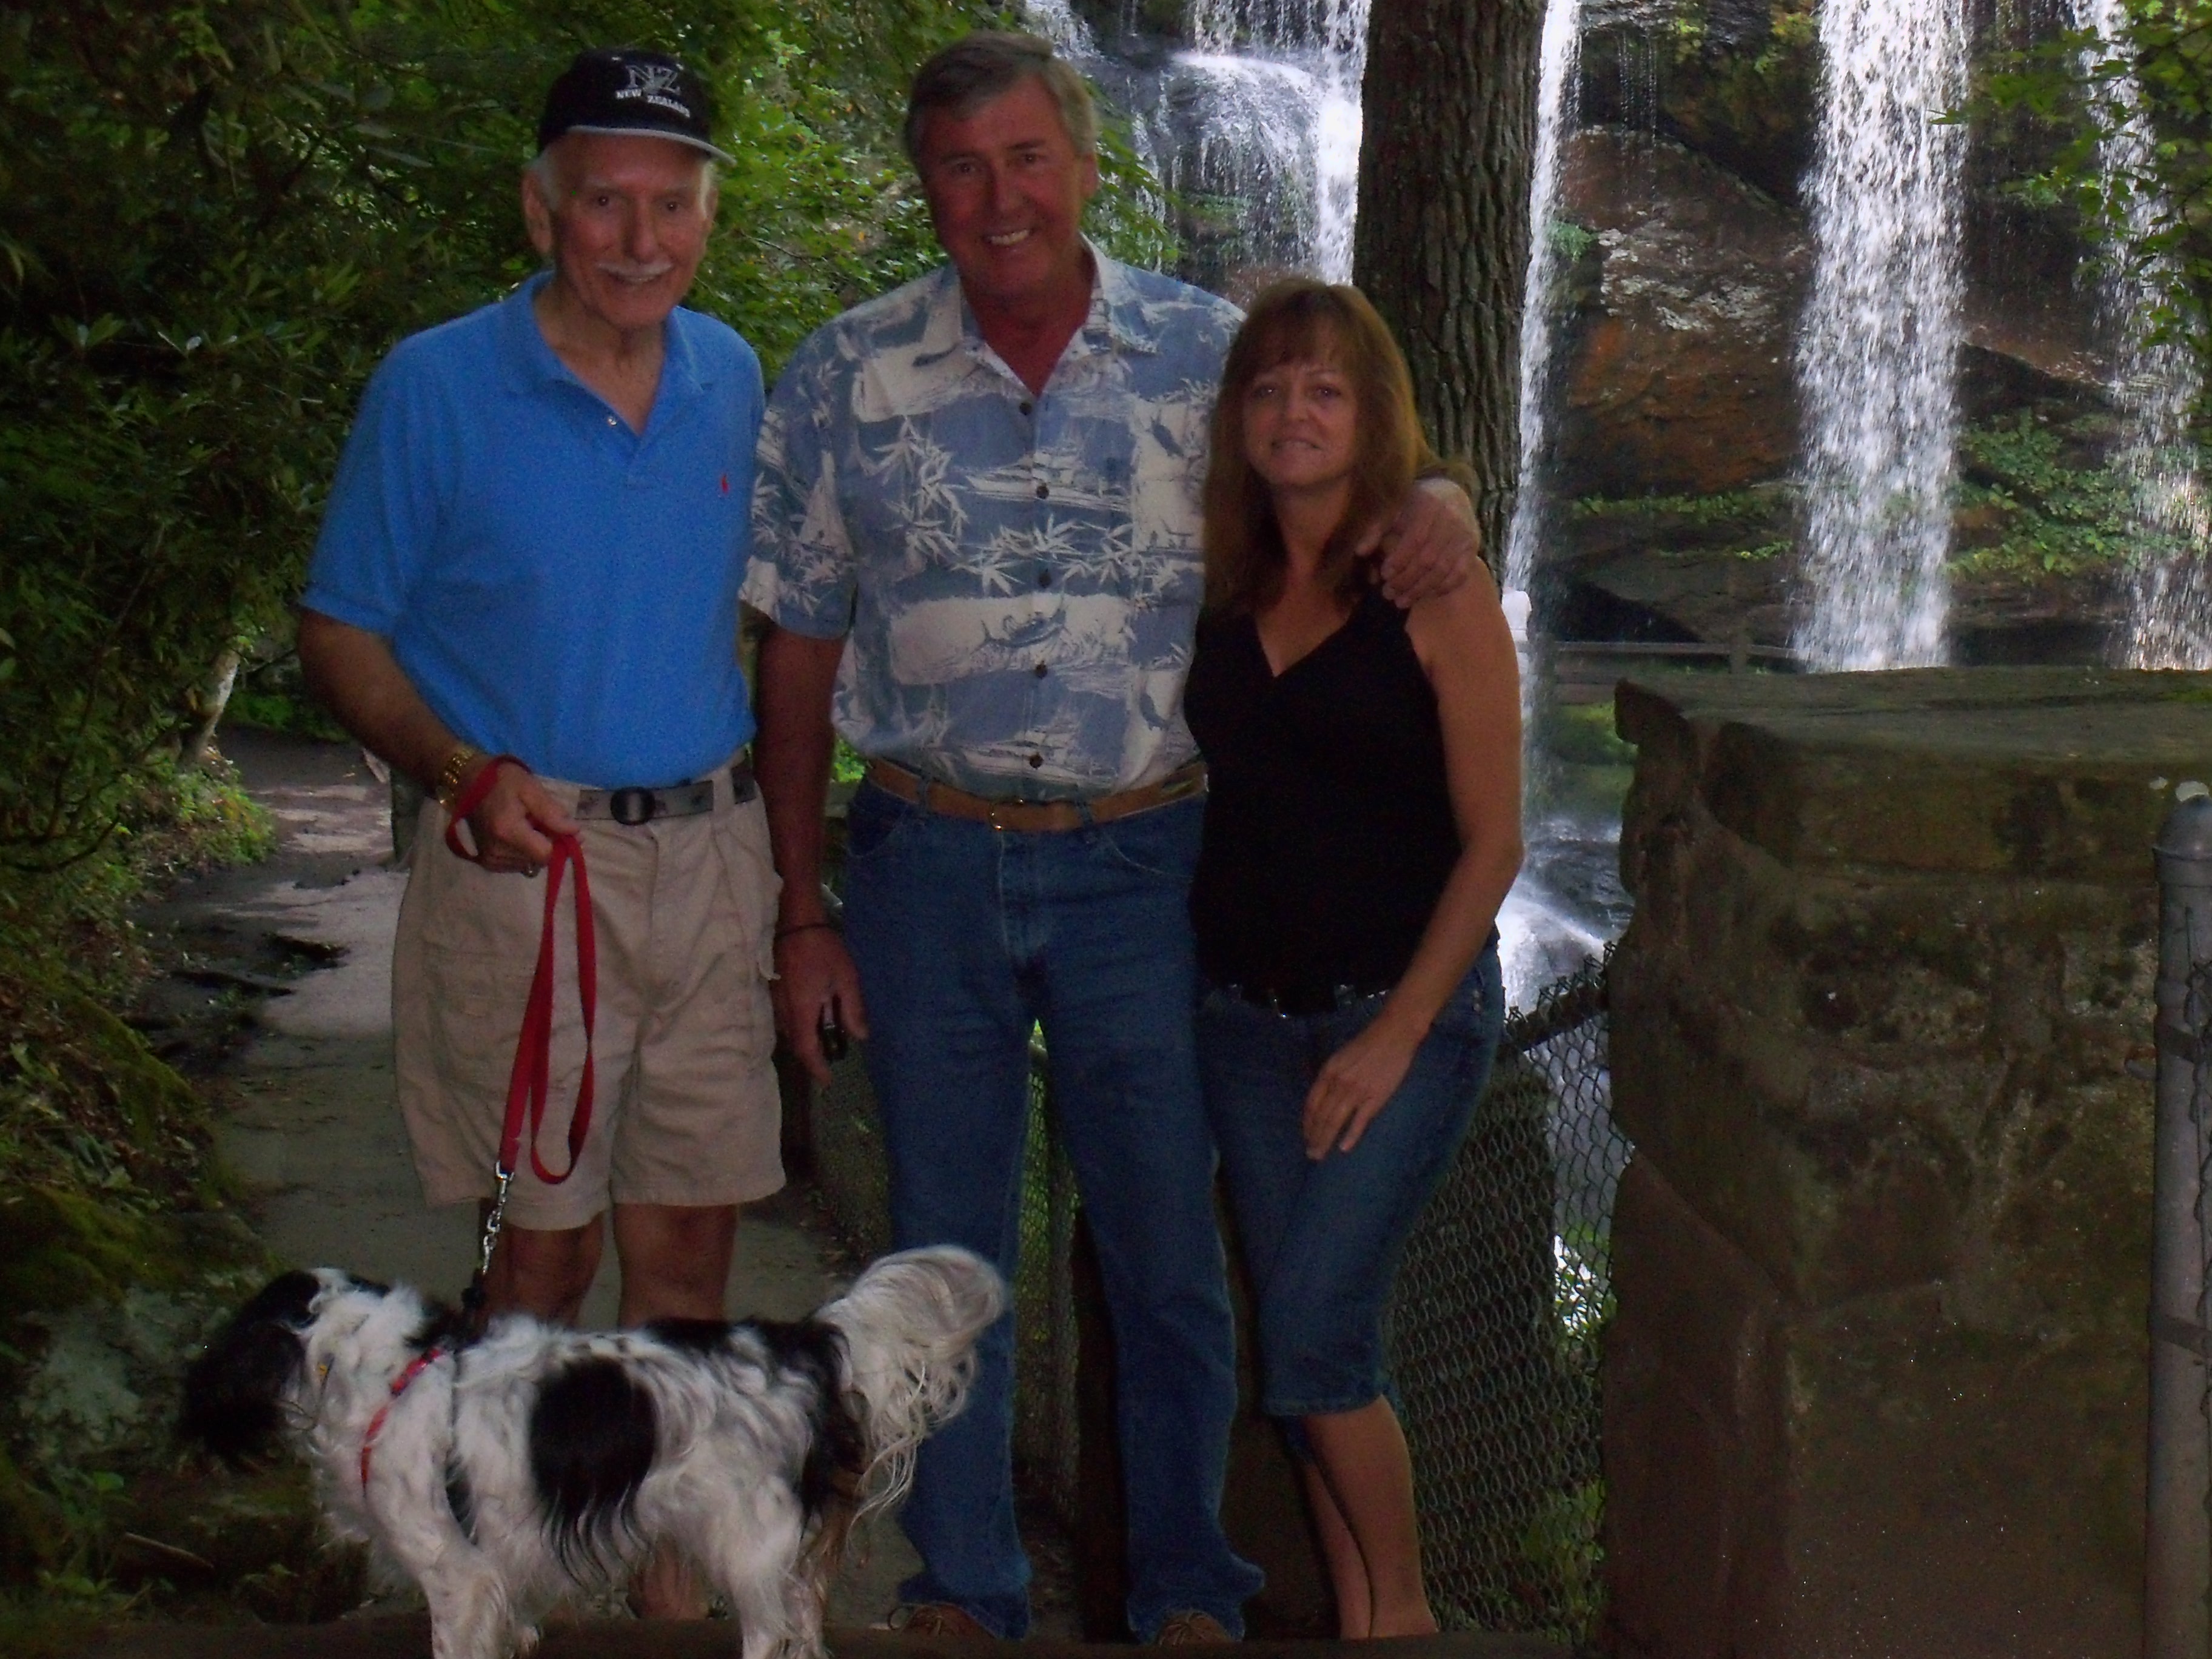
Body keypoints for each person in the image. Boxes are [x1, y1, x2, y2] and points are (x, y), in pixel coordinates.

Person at [743, 31, 1483, 1644]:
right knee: (942, 1257)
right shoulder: (844, 374)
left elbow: (1351, 467)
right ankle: (966, 1585)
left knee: (1164, 1253)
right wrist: (801, 909)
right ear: (926, 189)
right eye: (961, 168)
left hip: (1149, 866)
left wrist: (1447, 498)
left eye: (1027, 158)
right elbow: (794, 648)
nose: (999, 197)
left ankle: (1186, 1588)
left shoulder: (1207, 357)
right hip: (922, 861)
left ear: (1084, 165)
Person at [295, 47, 780, 1617]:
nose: (639, 240)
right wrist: (456, 768)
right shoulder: (435, 387)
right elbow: (341, 627)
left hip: (711, 857)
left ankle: (664, 1600)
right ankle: (499, 1590)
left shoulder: (733, 375)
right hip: (529, 868)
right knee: (545, 1259)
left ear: (708, 217)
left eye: (671, 205)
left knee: (691, 1251)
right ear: (539, 209)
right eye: (603, 204)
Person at [1184, 280, 1523, 1638]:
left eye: (1326, 389)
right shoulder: (1219, 584)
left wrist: (1395, 1039)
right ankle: (1362, 1622)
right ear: (1236, 419)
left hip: (1403, 1016)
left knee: (1314, 1346)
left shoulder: (1430, 583)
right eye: (1268, 388)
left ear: (1376, 414)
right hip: (1246, 1029)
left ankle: (1406, 1625)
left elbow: (1495, 844)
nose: (1293, 412)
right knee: (1310, 1351)